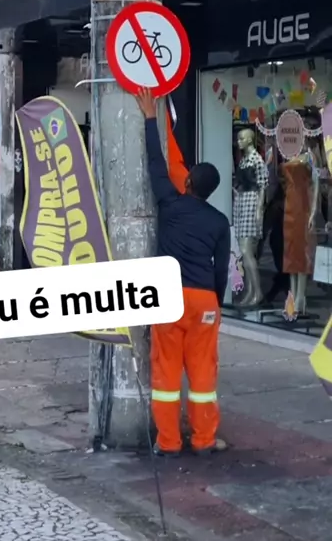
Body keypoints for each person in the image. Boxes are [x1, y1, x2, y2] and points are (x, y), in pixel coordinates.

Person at [136, 88, 230, 457]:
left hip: (169, 298)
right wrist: (214, 305)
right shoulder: (218, 222)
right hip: (204, 299)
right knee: (204, 375)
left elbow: (156, 164)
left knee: (166, 373)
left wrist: (150, 118)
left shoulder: (170, 205)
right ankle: (204, 439)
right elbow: (220, 270)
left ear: (187, 181)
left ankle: (169, 442)